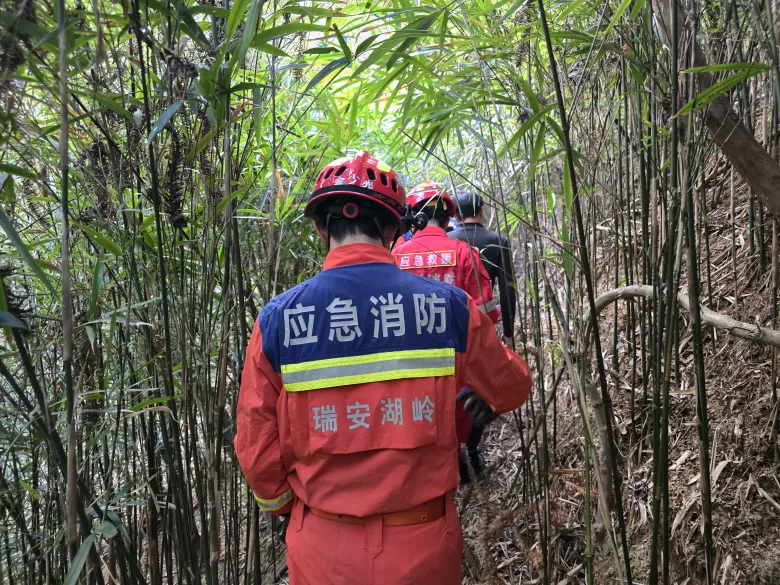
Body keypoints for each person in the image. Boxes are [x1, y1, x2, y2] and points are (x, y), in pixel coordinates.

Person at [235, 151, 532, 585]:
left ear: (321, 228)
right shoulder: (447, 307)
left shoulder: (278, 320)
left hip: (321, 547)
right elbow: (512, 387)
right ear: (393, 229)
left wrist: (287, 509)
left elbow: (256, 448)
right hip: (422, 544)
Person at [391, 181, 501, 482]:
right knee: (470, 404)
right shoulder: (464, 253)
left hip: (406, 368)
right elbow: (486, 313)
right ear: (446, 215)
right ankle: (469, 456)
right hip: (457, 365)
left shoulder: (396, 256)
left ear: (415, 216)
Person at [450, 190, 517, 349]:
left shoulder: (446, 240)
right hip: (482, 322)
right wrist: (508, 333)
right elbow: (507, 291)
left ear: (456, 216)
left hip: (451, 324)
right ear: (481, 210)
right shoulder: (498, 241)